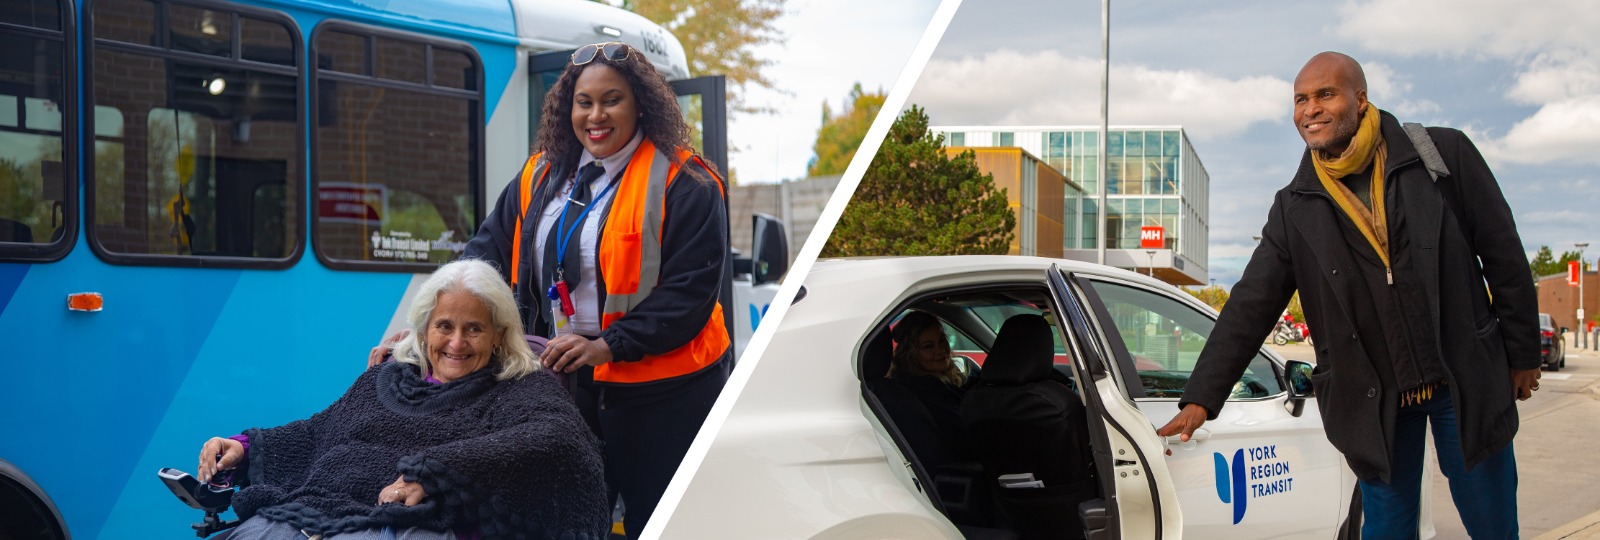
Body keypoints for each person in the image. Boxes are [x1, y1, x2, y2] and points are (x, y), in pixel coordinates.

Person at [1157, 52, 1540, 539]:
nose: (1309, 109)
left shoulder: (1441, 157)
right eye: (1300, 99)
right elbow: (1252, 304)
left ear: (1360, 100)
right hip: (1373, 398)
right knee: (1386, 529)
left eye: (1325, 94)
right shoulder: (1295, 206)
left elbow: (1504, 254)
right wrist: (1202, 397)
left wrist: (1524, 353)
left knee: (1493, 525)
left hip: (1461, 377)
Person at [460, 41, 731, 538]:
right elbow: (484, 254)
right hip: (567, 386)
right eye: (584, 102)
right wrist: (426, 320)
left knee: (662, 523)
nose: (596, 115)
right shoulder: (538, 174)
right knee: (565, 522)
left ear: (640, 104)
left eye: (612, 100)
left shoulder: (687, 181)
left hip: (665, 396)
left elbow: (688, 295)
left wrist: (606, 345)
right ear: (569, 109)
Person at [197, 260, 609, 539]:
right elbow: (318, 432)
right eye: (444, 326)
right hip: (320, 515)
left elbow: (556, 439)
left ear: (499, 335)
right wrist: (245, 447)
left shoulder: (521, 387)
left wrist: (437, 472)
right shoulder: (387, 380)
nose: (456, 343)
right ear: (424, 330)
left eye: (474, 329)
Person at [887, 311, 974, 466]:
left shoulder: (925, 382)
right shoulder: (927, 390)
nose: (940, 350)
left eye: (942, 341)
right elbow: (962, 437)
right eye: (928, 347)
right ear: (911, 354)